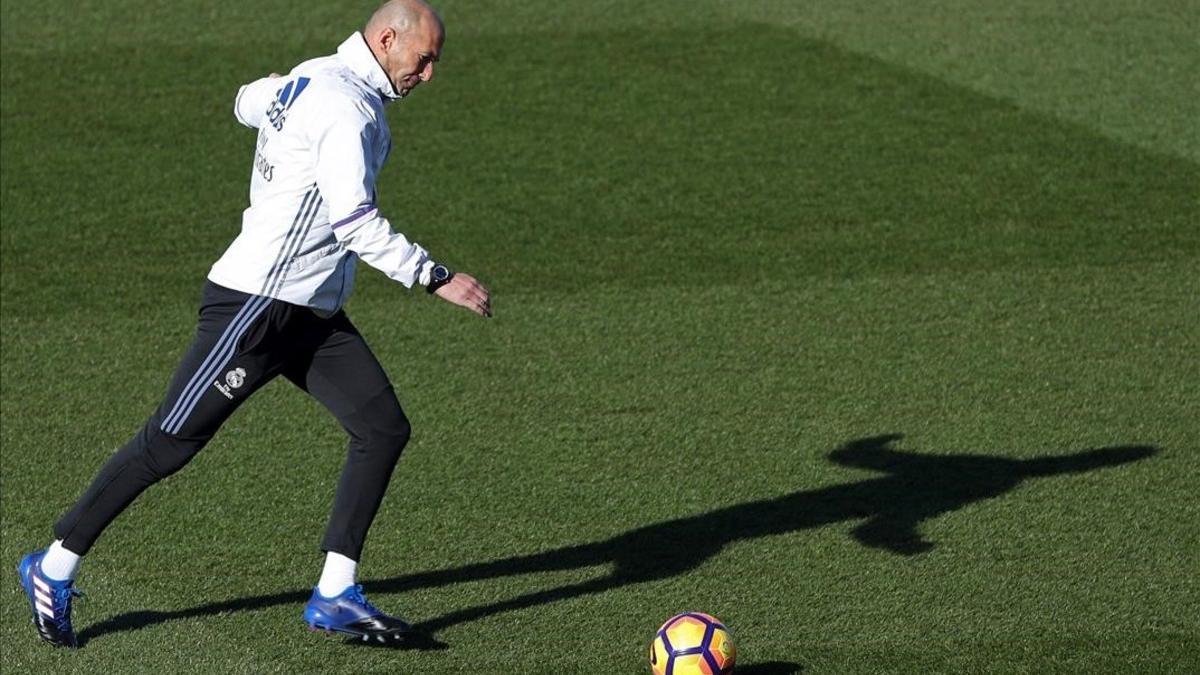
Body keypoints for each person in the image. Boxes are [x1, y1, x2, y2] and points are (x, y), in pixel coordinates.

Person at [17, 0, 489, 648]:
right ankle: (52, 564)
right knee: (168, 442)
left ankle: (335, 591)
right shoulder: (345, 109)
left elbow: (249, 98)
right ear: (386, 39)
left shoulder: (314, 77)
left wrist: (264, 104)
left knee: (382, 426)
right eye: (424, 57)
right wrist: (436, 276)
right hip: (255, 308)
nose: (429, 74)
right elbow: (356, 223)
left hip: (311, 312)